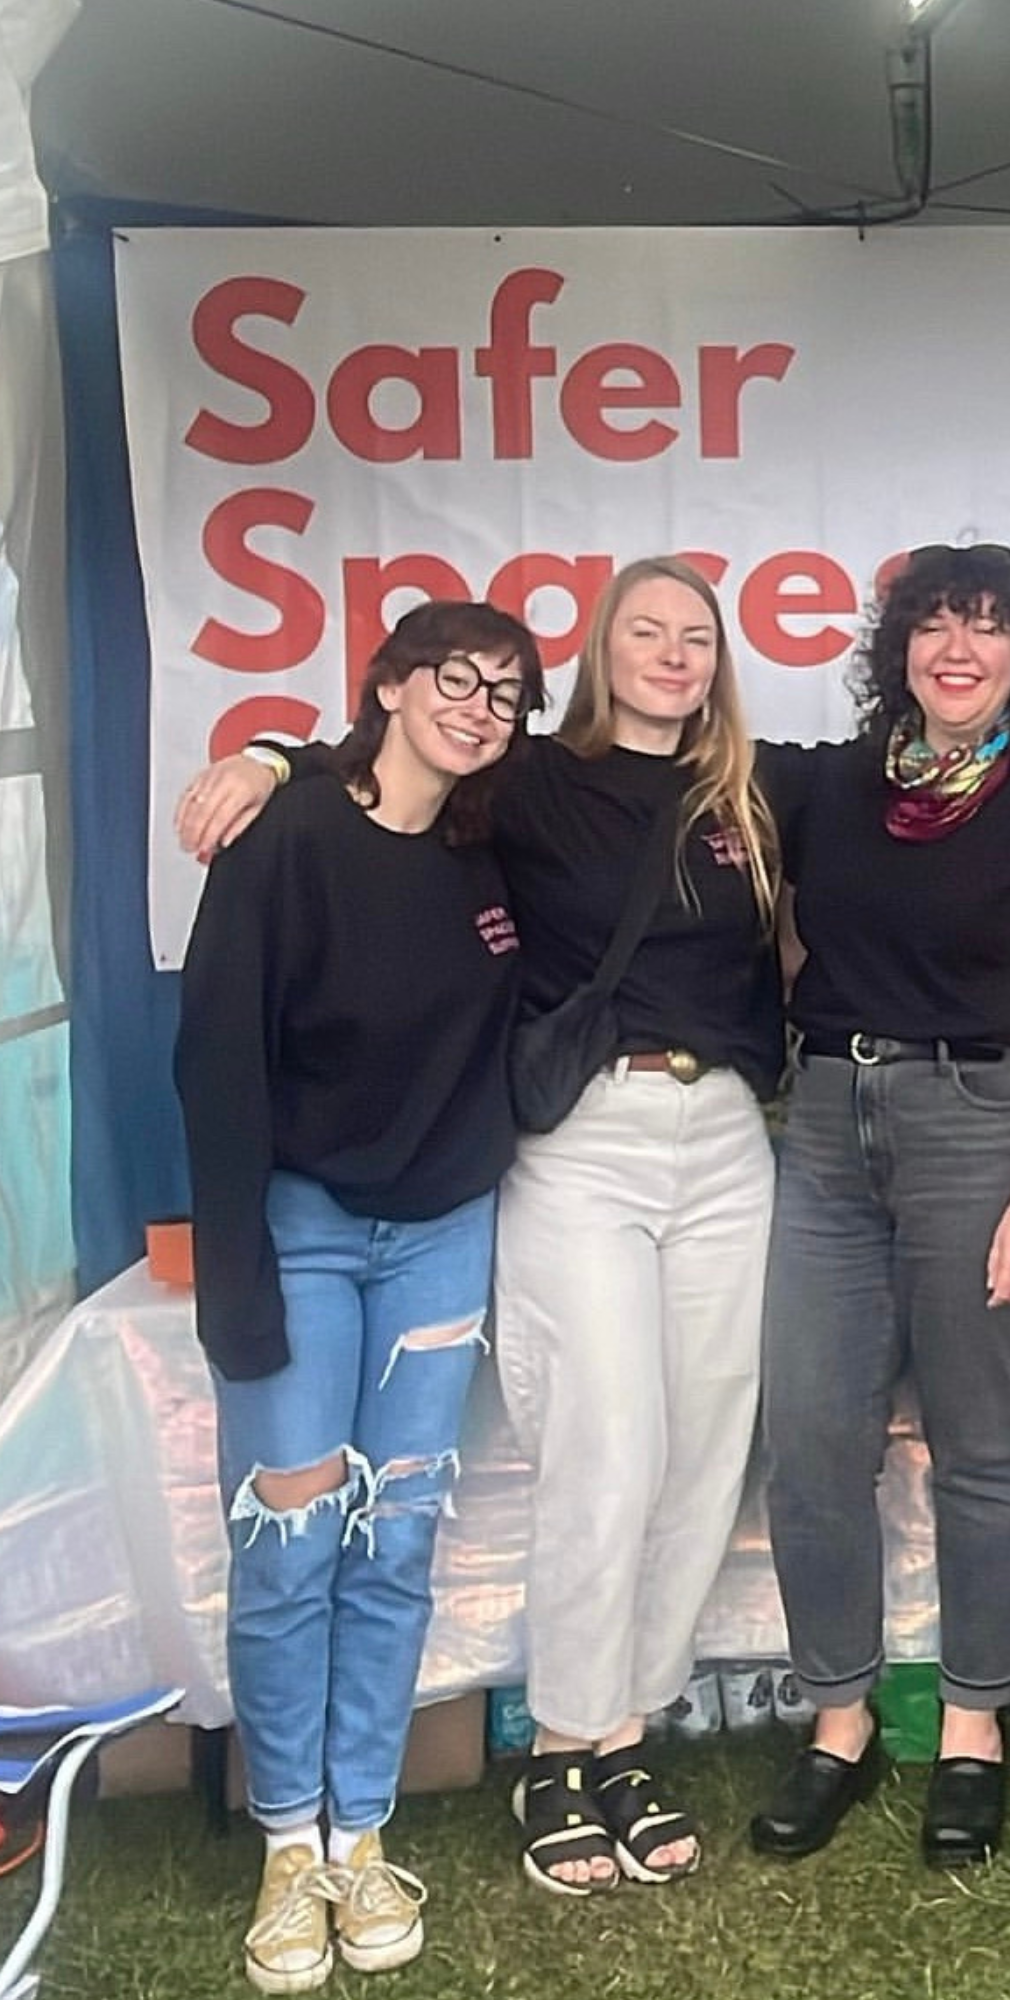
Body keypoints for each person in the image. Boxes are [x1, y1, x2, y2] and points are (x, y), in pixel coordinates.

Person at [177, 556, 786, 1899]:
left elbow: (893, 790)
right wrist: (275, 755)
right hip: (582, 1145)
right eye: (646, 629)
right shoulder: (528, 780)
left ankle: (626, 1730)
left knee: (701, 1451)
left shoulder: (752, 787)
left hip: (727, 1143)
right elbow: (388, 769)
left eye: (697, 636)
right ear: (599, 653)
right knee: (607, 1446)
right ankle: (554, 1751)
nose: (673, 654)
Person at [176, 601, 544, 1991]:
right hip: (302, 1227)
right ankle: (286, 1849)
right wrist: (238, 1286)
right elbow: (214, 1063)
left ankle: (361, 1832)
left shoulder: (494, 846)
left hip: (444, 1234)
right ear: (387, 686)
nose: (480, 706)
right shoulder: (287, 839)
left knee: (393, 1544)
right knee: (289, 1544)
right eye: (456, 678)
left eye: (507, 693)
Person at [747, 543, 1010, 1869]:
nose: (959, 648)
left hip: (983, 1127)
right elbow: (785, 924)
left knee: (983, 1442)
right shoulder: (830, 783)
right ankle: (838, 1719)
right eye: (934, 626)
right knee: (807, 1432)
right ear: (895, 647)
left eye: (988, 627)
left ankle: (973, 1727)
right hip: (830, 1132)